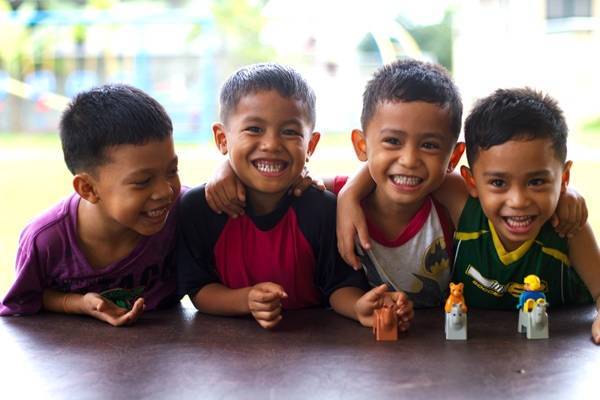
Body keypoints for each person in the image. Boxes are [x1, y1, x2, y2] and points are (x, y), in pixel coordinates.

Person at [340, 87, 600, 342]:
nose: (518, 201)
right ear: (472, 181)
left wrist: (564, 193)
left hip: (555, 359)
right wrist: (349, 193)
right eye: (499, 183)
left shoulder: (567, 225)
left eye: (537, 182)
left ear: (563, 177)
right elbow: (403, 170)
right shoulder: (464, 203)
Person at [176, 63, 413, 330]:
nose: (272, 144)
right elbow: (198, 290)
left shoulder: (322, 210)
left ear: (310, 145)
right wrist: (246, 300)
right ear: (222, 138)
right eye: (254, 129)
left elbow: (338, 286)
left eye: (290, 132)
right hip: (226, 352)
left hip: (315, 351)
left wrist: (359, 308)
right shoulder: (200, 208)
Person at [0, 84, 182, 326]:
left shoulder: (184, 212)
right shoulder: (45, 241)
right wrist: (78, 303)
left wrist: (225, 173)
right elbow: (25, 301)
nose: (165, 191)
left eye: (172, 170)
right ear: (88, 188)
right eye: (142, 181)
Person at [326, 59, 465, 308]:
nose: (410, 160)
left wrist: (561, 198)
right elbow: (282, 182)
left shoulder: (450, 199)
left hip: (444, 342)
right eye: (392, 141)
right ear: (361, 145)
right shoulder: (331, 196)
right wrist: (228, 168)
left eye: (430, 145)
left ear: (453, 157)